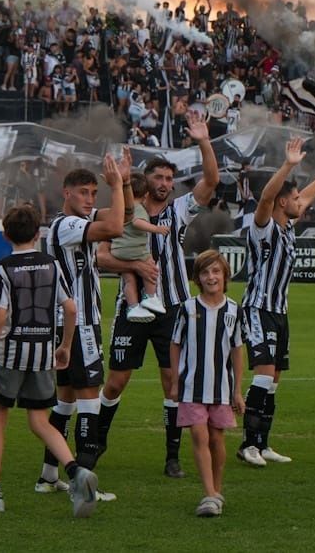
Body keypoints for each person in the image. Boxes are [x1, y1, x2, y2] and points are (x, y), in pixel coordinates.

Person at [95, 111, 219, 479]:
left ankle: (172, 456)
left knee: (172, 383)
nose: (165, 183)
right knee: (116, 381)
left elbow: (211, 181)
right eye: (159, 177)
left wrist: (203, 141)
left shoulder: (179, 211)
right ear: (145, 179)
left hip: (173, 309)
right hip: (131, 308)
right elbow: (102, 257)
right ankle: (96, 441)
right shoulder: (123, 212)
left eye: (169, 179)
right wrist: (134, 265)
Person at [0, 205, 99, 518]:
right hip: (42, 352)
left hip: (11, 353)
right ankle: (76, 470)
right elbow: (70, 308)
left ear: (5, 235)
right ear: (38, 233)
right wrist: (64, 345)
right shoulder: (52, 265)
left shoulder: (3, 268)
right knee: (40, 421)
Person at [36, 148, 133, 495]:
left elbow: (127, 214)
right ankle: (85, 484)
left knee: (65, 402)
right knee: (90, 402)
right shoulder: (68, 225)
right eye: (83, 193)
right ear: (66, 193)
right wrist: (116, 186)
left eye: (94, 192)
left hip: (68, 324)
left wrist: (125, 183)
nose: (90, 199)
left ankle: (48, 477)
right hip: (78, 325)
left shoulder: (76, 221)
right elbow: (116, 227)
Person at [236, 137, 315, 467]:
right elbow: (265, 198)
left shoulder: (288, 229)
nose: (301, 202)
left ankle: (263, 443)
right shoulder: (264, 228)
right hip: (258, 309)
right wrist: (288, 165)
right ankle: (247, 444)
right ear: (283, 202)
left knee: (273, 381)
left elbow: (308, 195)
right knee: (263, 375)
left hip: (279, 312)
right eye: (295, 198)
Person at [169, 250, 245, 517]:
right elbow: (175, 343)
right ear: (197, 278)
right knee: (199, 435)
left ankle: (217, 490)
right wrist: (176, 381)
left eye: (216, 271)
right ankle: (209, 494)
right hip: (191, 385)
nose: (211, 277)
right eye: (205, 272)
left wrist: (237, 391)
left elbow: (237, 350)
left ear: (225, 276)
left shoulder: (234, 310)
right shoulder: (187, 309)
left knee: (216, 438)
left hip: (221, 387)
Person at [108, 172, 169, 323]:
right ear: (146, 195)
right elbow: (137, 222)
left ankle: (133, 307)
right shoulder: (138, 208)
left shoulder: (120, 208)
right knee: (151, 268)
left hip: (118, 251)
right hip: (135, 250)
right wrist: (156, 229)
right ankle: (150, 296)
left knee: (129, 280)